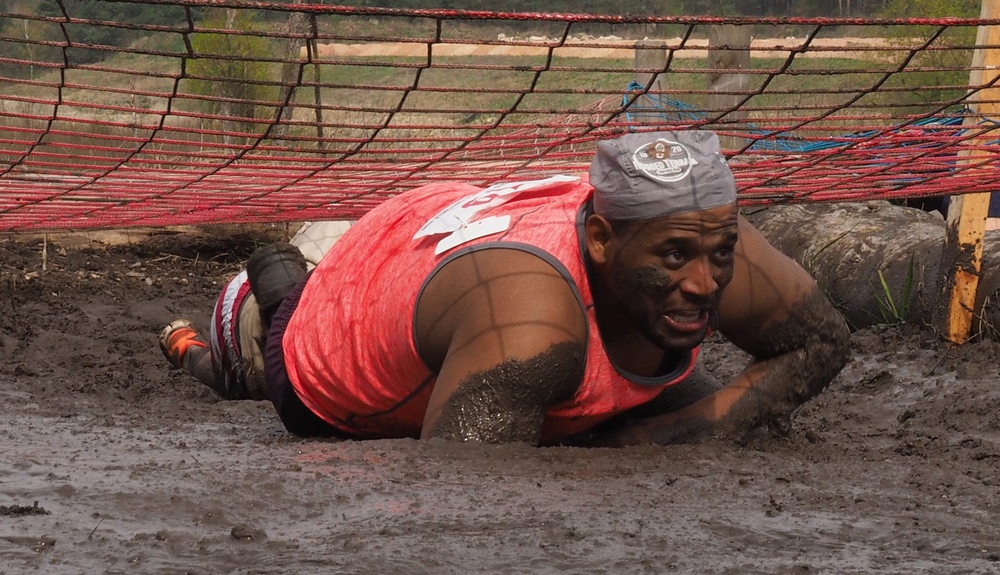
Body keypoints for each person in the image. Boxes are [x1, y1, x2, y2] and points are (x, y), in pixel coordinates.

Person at [254, 129, 850, 446]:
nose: (703, 282)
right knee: (250, 354)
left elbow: (821, 343)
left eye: (718, 254)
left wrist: (677, 436)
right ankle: (274, 284)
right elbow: (460, 484)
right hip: (335, 321)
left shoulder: (706, 232)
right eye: (674, 257)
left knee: (730, 419)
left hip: (459, 221)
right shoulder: (529, 330)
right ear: (599, 239)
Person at [159, 221, 353, 400]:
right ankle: (186, 350)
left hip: (247, 333)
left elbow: (274, 265)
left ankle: (186, 350)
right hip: (255, 327)